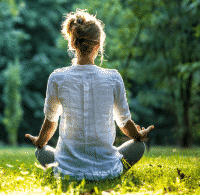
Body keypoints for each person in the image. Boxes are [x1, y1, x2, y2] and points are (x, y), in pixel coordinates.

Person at [25, 9, 154, 181]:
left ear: (72, 43)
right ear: (98, 45)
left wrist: (39, 142)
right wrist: (138, 135)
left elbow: (50, 123)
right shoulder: (113, 77)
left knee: (40, 152)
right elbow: (124, 123)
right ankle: (110, 172)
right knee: (138, 147)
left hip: (66, 173)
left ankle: (68, 169)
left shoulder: (57, 78)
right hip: (108, 170)